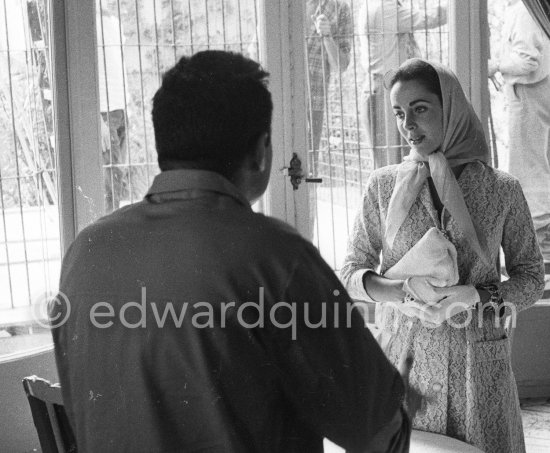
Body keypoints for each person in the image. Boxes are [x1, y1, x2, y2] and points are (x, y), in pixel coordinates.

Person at [50, 50, 413, 452]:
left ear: (163, 147)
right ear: (260, 151)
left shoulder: (87, 251)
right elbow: (379, 432)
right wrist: (396, 400)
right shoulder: (274, 258)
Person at [341, 58, 545, 453]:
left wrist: (478, 296)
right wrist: (400, 290)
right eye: (400, 113)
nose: (408, 125)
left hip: (479, 368)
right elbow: (352, 270)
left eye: (420, 109)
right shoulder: (383, 187)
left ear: (450, 108)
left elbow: (532, 279)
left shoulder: (502, 189)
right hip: (406, 364)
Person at [488, 0, 550, 263]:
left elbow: (528, 62)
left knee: (528, 170)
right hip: (532, 95)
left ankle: (541, 251)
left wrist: (495, 65)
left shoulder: (524, 11)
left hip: (527, 95)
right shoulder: (531, 9)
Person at [359, 0, 447, 168]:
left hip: (377, 86)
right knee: (392, 165)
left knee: (387, 163)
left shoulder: (370, 5)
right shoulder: (387, 8)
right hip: (387, 89)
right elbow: (431, 17)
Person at [306, 0, 352, 171]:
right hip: (279, 96)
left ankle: (309, 196)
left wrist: (327, 37)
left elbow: (342, 65)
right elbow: (256, 47)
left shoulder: (340, 8)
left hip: (313, 98)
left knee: (309, 165)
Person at [97, 8, 128, 212]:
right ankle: (110, 240)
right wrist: (96, 120)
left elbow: (120, 64)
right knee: (111, 187)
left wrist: (128, 106)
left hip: (121, 110)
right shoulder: (88, 24)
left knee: (117, 178)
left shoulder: (114, 21)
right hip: (104, 113)